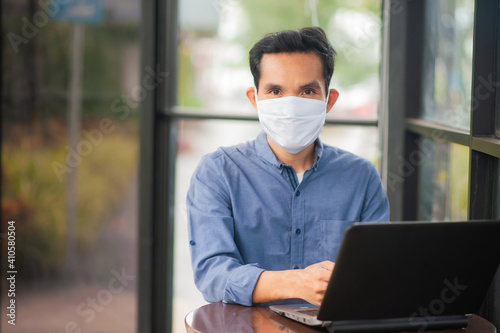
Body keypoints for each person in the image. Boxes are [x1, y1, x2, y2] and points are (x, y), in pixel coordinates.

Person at [187, 26, 389, 307]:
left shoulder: (361, 177)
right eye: (275, 91)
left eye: (307, 91)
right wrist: (294, 283)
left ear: (328, 101)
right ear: (254, 99)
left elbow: (378, 272)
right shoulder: (218, 172)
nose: (291, 105)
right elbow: (212, 274)